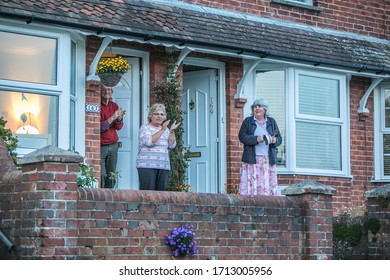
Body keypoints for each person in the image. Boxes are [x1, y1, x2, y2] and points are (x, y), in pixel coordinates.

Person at [238, 98, 282, 196]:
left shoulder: (272, 121)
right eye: (255, 106)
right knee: (252, 183)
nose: (256, 108)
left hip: (268, 160)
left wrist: (274, 140)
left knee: (267, 183)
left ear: (265, 109)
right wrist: (257, 139)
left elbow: (279, 138)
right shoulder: (248, 121)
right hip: (252, 159)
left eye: (259, 106)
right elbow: (242, 137)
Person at [136, 103, 180, 191]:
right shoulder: (145, 127)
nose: (159, 116)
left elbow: (172, 145)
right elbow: (149, 142)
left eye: (162, 114)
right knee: (148, 194)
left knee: (161, 195)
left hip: (163, 165)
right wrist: (162, 129)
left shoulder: (166, 130)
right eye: (156, 114)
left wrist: (171, 131)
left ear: (164, 117)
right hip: (146, 166)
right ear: (151, 116)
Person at [100, 84, 126, 188]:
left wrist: (119, 118)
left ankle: (109, 196)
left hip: (113, 145)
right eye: (104, 89)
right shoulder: (97, 106)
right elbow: (100, 128)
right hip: (101, 146)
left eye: (109, 89)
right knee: (101, 174)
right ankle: (99, 196)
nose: (107, 92)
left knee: (112, 173)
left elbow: (118, 127)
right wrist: (113, 116)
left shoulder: (114, 105)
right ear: (100, 92)